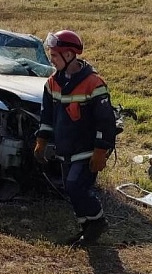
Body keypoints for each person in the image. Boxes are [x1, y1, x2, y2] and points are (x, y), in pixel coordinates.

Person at [33, 30, 117, 246]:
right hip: (65, 147)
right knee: (71, 189)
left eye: (54, 55)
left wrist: (100, 150)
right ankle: (87, 228)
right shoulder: (52, 83)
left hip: (88, 148)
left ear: (69, 55)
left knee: (75, 187)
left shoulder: (94, 83)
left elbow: (105, 121)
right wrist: (41, 140)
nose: (51, 59)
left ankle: (97, 222)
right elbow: (47, 115)